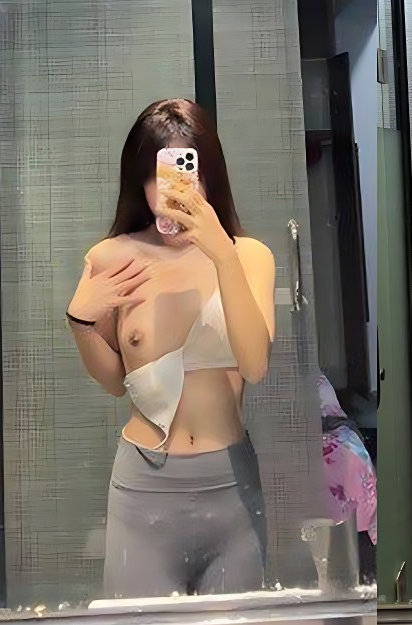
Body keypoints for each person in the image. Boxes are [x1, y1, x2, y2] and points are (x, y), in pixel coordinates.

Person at [66, 99, 276, 597]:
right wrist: (80, 323)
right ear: (140, 181)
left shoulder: (248, 257)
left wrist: (221, 254)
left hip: (231, 490)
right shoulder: (112, 257)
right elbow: (115, 383)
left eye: (188, 171)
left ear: (210, 176)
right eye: (159, 173)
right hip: (144, 493)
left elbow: (254, 365)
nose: (176, 189)